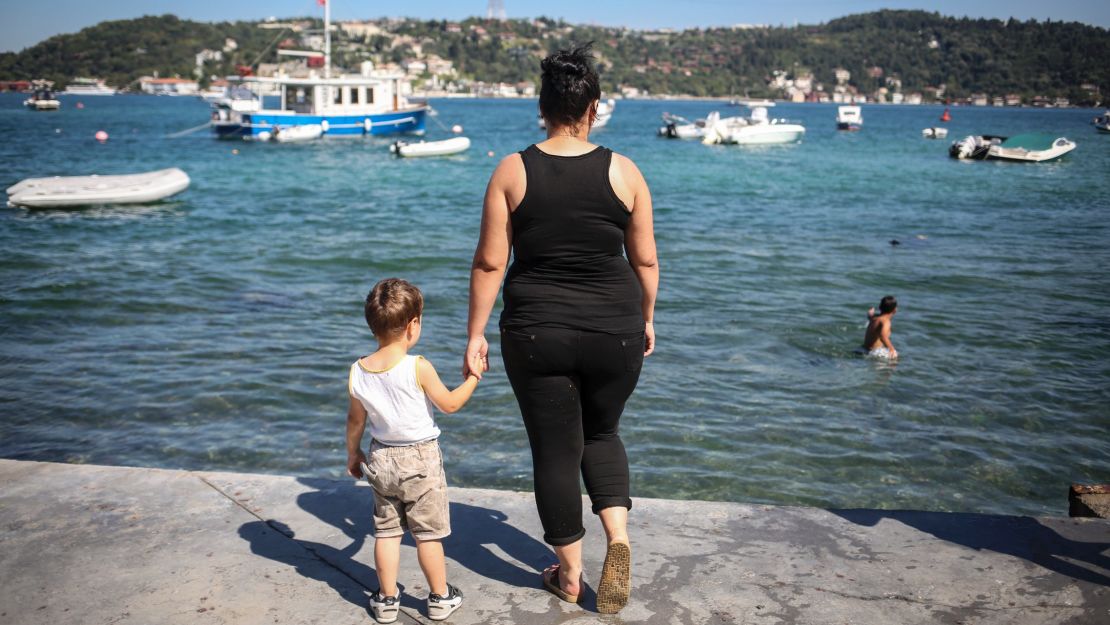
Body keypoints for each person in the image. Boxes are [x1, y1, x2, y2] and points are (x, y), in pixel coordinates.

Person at [463, 43, 658, 614]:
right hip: (616, 329)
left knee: (554, 450)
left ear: (542, 107)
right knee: (602, 433)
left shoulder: (512, 170)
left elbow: (489, 263)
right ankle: (618, 540)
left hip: (535, 329)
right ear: (593, 108)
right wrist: (647, 317)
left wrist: (474, 335)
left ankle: (569, 575)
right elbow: (644, 260)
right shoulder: (624, 171)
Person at [345, 278, 485, 623]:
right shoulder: (417, 366)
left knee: (387, 531)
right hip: (420, 459)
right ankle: (439, 597)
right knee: (428, 535)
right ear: (413, 325)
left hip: (380, 457)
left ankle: (387, 599)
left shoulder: (358, 371)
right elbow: (450, 405)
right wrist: (474, 378)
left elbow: (355, 422)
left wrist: (354, 454)